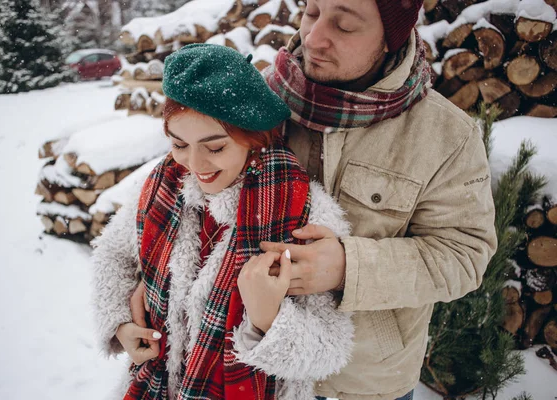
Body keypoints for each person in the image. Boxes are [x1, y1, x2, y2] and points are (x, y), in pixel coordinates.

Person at [128, 0, 498, 399]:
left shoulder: (445, 135)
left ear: (391, 38)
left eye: (344, 25)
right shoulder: (254, 97)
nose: (315, 37)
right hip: (249, 377)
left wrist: (350, 268)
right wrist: (146, 285)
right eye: (312, 13)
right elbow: (180, 195)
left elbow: (464, 256)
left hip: (363, 383)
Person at [91, 44, 355, 400]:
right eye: (179, 144)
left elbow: (331, 349)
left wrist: (267, 320)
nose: (194, 164)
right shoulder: (161, 188)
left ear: (252, 138)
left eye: (214, 147)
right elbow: (111, 253)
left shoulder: (302, 210)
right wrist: (121, 321)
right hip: (156, 388)